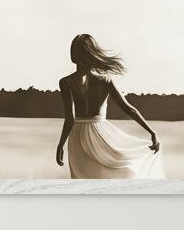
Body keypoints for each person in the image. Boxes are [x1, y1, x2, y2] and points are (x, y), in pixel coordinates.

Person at [55, 33, 165, 179]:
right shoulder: (105, 80)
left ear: (73, 54)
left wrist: (61, 145)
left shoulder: (66, 82)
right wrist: (151, 132)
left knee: (82, 183)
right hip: (101, 133)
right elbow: (128, 108)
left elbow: (70, 119)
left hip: (78, 137)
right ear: (93, 53)